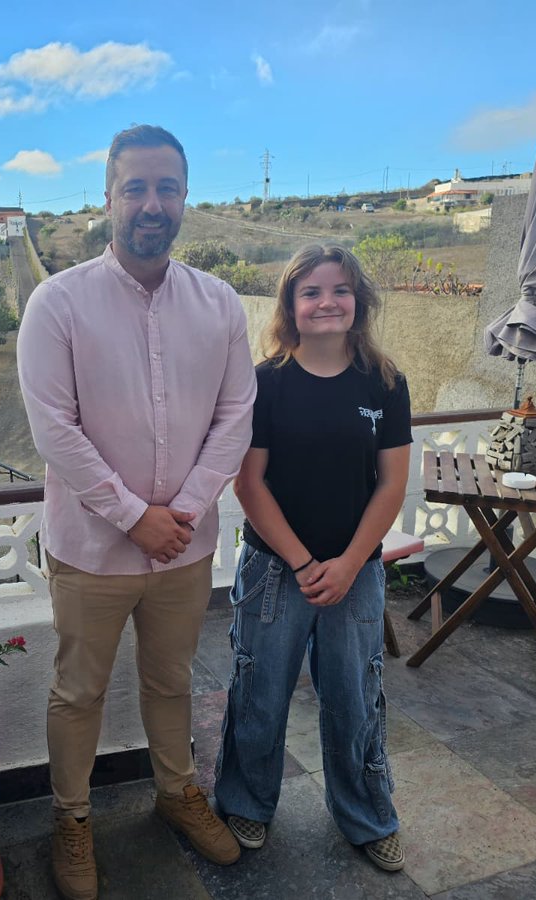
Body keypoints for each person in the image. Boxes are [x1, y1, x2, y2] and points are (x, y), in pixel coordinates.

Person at [17, 124, 256, 899]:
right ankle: (72, 817)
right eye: (137, 188)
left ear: (185, 198)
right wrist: (132, 516)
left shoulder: (218, 304)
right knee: (78, 691)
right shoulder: (58, 303)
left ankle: (178, 792)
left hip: (182, 550)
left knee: (172, 681)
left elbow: (235, 416)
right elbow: (55, 428)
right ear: (108, 197)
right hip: (91, 550)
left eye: (168, 188)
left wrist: (179, 513)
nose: (153, 204)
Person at [213, 244, 411, 873]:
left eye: (340, 290)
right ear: (291, 306)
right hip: (276, 571)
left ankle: (367, 816)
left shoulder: (385, 382)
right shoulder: (266, 382)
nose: (327, 302)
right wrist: (303, 564)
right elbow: (250, 484)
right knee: (260, 690)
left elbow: (391, 484)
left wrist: (351, 563)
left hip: (357, 572)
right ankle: (246, 801)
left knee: (355, 696)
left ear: (359, 302)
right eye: (311, 292)